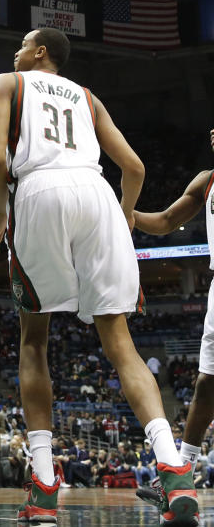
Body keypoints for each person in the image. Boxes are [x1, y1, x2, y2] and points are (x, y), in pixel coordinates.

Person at [0, 28, 197, 526]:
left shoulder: (7, 83)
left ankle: (44, 488)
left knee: (33, 340)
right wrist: (123, 213)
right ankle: (172, 466)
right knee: (120, 342)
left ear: (40, 52)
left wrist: (2, 209)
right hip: (97, 192)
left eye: (23, 43)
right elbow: (136, 168)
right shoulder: (88, 97)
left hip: (39, 192)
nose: (15, 50)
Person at [133, 130, 214, 480]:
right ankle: (183, 471)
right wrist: (123, 211)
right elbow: (166, 221)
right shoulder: (207, 181)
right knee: (207, 384)